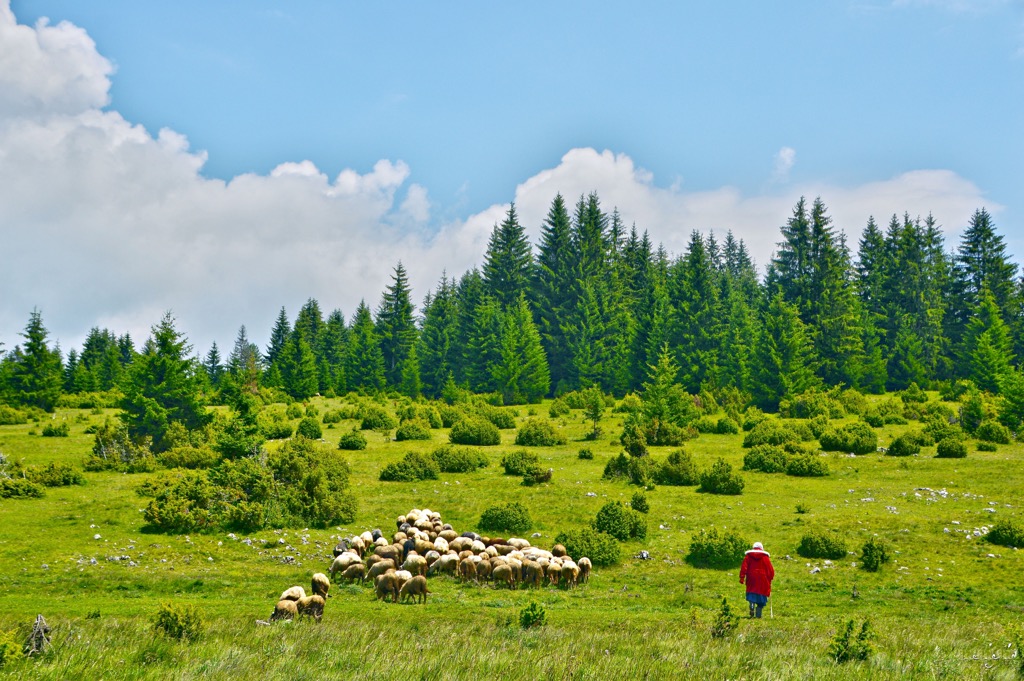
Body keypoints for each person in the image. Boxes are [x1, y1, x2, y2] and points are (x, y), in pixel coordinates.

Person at [739, 541, 775, 618]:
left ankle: (752, 603)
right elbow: (770, 570)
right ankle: (758, 615)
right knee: (761, 594)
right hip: (763, 579)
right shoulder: (765, 558)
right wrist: (770, 578)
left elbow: (744, 567)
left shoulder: (748, 556)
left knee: (752, 591)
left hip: (751, 577)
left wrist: (742, 577)